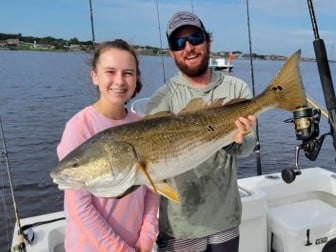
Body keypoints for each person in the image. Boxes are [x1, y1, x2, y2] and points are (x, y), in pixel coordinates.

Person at [145, 11, 257, 252]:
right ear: (171, 53)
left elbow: (248, 148)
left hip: (225, 218)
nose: (188, 47)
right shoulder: (161, 100)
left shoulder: (235, 87)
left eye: (195, 38)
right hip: (180, 226)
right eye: (178, 43)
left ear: (208, 41)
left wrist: (231, 140)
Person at [57, 39, 158, 252]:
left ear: (136, 78)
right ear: (95, 76)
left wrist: (147, 237)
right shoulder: (79, 128)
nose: (119, 81)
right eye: (110, 72)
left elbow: (152, 186)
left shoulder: (141, 124)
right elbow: (80, 208)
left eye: (128, 73)